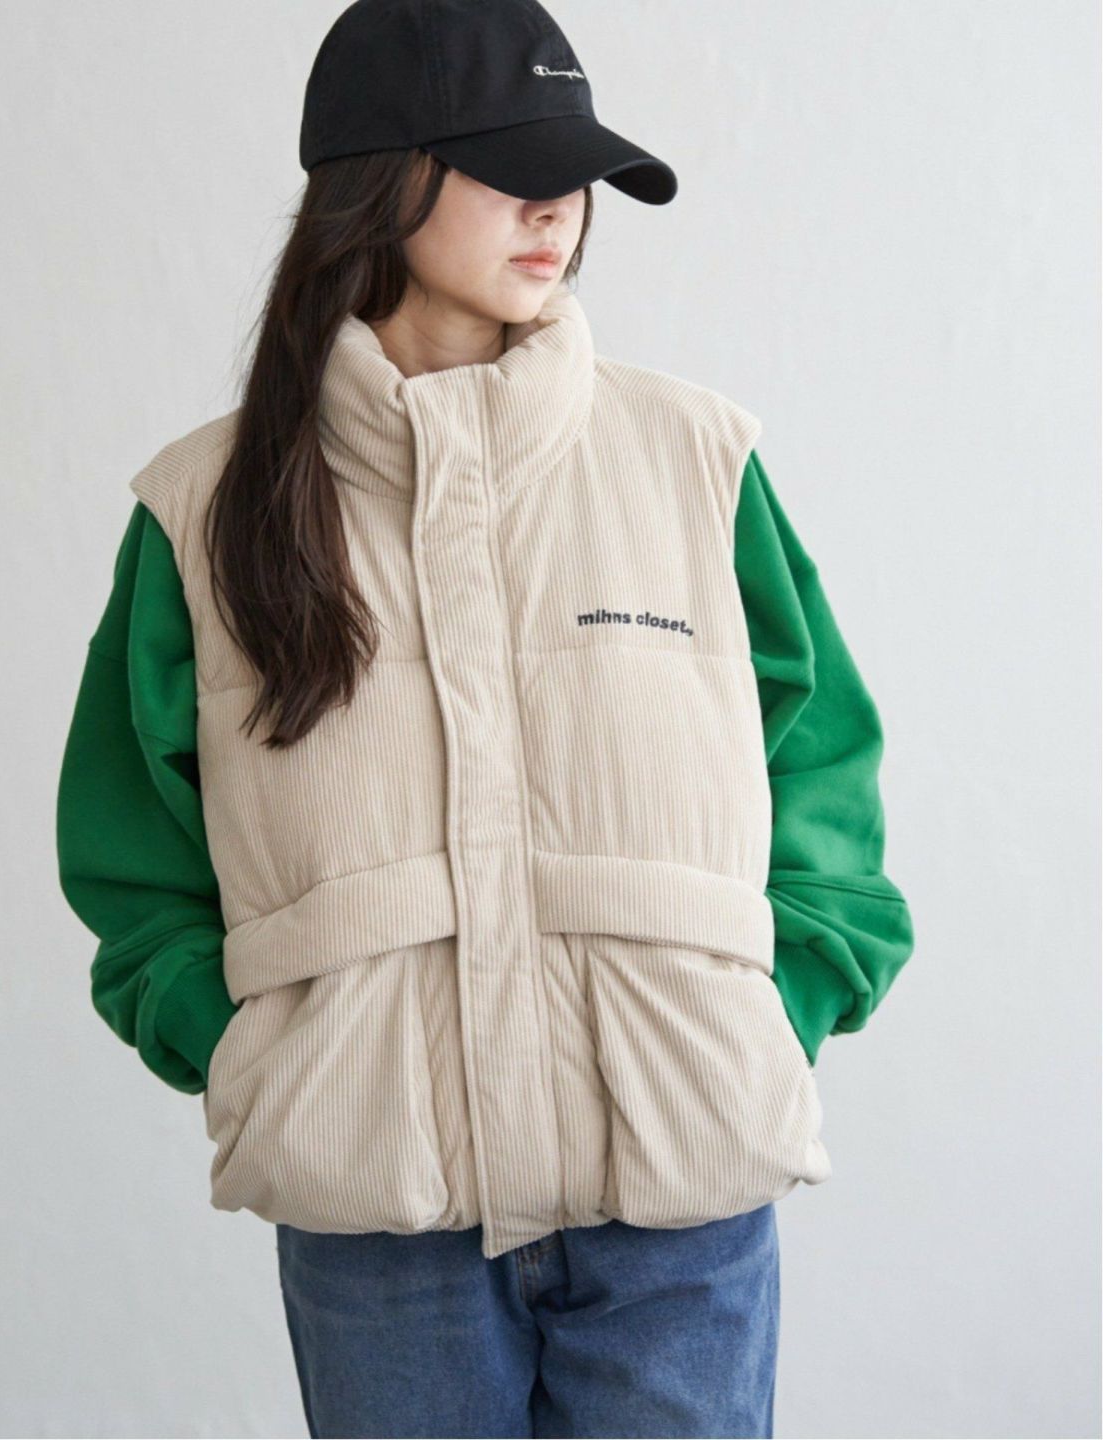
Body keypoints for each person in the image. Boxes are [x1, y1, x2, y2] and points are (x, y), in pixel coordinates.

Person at [55, 1, 915, 1435]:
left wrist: (773, 1010)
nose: (558, 207)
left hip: (677, 1201)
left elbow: (822, 762)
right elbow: (131, 844)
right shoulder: (207, 507)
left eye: (577, 174)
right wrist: (268, 1057)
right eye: (514, 167)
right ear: (379, 180)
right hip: (382, 1229)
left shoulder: (691, 458)